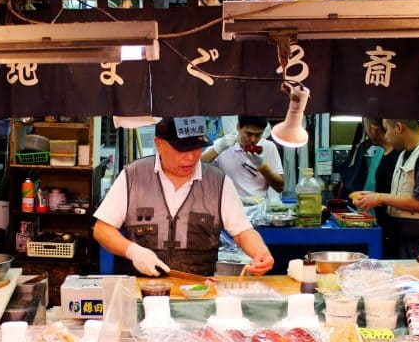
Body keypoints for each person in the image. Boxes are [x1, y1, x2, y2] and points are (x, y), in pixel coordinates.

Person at [93, 117, 274, 277]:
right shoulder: (133, 176)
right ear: (159, 144)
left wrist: (260, 252)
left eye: (196, 148)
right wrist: (133, 251)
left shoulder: (218, 181)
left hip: (200, 291)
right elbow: (102, 229)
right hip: (144, 289)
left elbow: (243, 231)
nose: (190, 157)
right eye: (181, 149)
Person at [354, 119, 419, 259]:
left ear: (399, 127)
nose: (385, 136)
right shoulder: (404, 155)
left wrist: (381, 198)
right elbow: (401, 196)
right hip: (403, 243)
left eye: (387, 130)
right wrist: (375, 198)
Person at [201, 116, 285, 205]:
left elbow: (279, 187)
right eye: (249, 134)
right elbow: (196, 168)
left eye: (258, 135)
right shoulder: (225, 144)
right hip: (229, 206)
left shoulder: (268, 147)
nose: (253, 139)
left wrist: (263, 167)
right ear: (238, 127)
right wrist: (217, 149)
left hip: (259, 207)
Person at [361, 118, 402, 258]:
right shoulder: (382, 153)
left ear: (373, 129)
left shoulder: (399, 156)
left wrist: (378, 198)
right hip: (382, 228)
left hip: (395, 230)